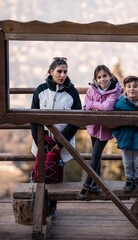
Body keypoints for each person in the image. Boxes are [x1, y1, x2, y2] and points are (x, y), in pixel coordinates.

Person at [30, 57, 82, 219]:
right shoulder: (41, 90)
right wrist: (41, 140)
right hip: (42, 141)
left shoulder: (71, 92)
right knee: (39, 172)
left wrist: (60, 142)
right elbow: (34, 118)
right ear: (50, 72)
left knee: (57, 174)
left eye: (65, 72)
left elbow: (75, 121)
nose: (62, 75)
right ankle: (38, 204)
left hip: (63, 143)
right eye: (59, 71)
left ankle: (52, 206)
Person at [77, 65, 121, 200]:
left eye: (105, 76)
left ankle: (87, 185)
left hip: (105, 128)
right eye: (99, 77)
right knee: (96, 156)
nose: (102, 79)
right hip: (94, 126)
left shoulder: (115, 91)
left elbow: (107, 107)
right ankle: (97, 183)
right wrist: (96, 106)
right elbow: (85, 107)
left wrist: (94, 105)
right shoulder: (91, 90)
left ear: (110, 76)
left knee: (95, 155)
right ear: (95, 79)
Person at [112, 75, 138, 192]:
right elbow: (113, 122)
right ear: (124, 89)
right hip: (125, 137)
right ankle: (129, 180)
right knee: (127, 162)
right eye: (129, 86)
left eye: (135, 86)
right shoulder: (120, 104)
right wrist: (119, 136)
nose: (132, 89)